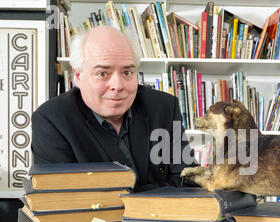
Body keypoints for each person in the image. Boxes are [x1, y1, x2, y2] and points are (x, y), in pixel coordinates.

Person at [31, 26, 196, 192]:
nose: (117, 86)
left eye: (127, 72)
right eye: (103, 73)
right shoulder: (51, 120)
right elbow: (63, 199)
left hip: (163, 217)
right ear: (78, 77)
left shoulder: (164, 108)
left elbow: (187, 181)